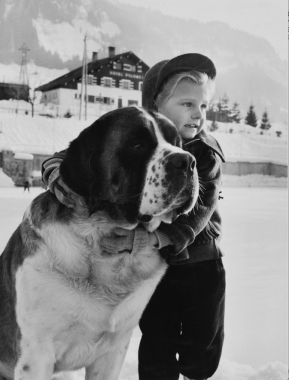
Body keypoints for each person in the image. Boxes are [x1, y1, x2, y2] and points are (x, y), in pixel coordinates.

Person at [42, 53, 226, 380]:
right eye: (187, 104)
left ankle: (198, 368)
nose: (199, 114)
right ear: (154, 107)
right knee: (157, 344)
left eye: (204, 106)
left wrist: (143, 238)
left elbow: (196, 216)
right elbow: (74, 154)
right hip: (152, 267)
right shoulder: (132, 136)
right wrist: (58, 176)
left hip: (200, 264)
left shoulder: (205, 153)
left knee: (200, 356)